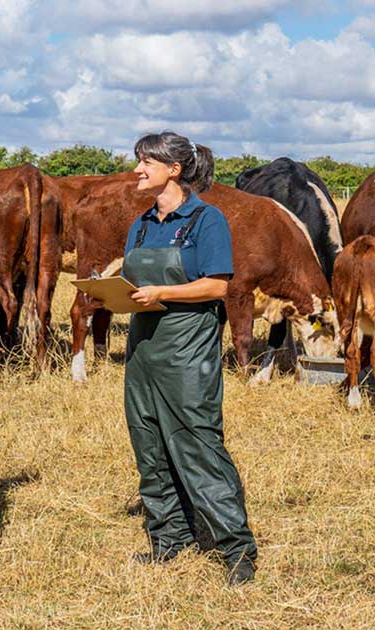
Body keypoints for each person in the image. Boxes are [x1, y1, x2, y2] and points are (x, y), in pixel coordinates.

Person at [122, 131, 258, 585]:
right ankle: (170, 539)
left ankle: (237, 550)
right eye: (138, 161)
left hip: (187, 350)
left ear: (173, 170)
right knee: (150, 444)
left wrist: (163, 291)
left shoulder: (206, 219)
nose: (137, 170)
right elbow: (135, 280)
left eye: (146, 162)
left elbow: (218, 286)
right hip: (143, 349)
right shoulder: (141, 223)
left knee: (197, 445)